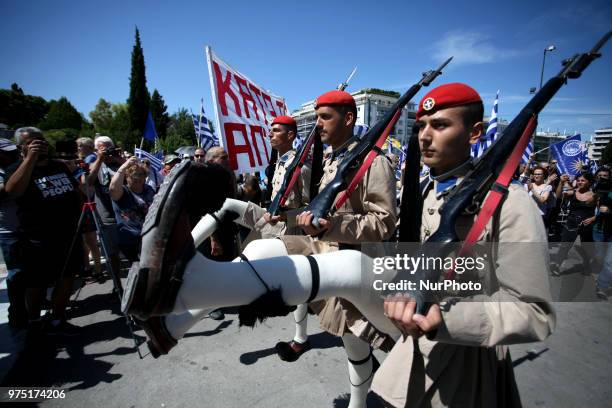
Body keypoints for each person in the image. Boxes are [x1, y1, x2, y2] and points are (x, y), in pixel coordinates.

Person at [371, 83, 555, 407]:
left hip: (466, 364)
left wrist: (450, 319)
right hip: (409, 350)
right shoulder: (423, 192)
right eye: (421, 126)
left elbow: (534, 312)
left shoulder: (510, 203)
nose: (425, 136)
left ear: (474, 133)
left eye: (440, 125)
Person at [5, 127, 84, 341]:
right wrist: (29, 159)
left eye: (42, 141)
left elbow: (77, 191)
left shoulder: (59, 166)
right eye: (33, 142)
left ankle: (58, 319)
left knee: (67, 278)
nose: (41, 145)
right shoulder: (16, 169)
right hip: (37, 238)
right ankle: (34, 321)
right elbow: (13, 192)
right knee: (37, 284)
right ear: (21, 147)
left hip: (68, 235)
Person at [87, 135, 125, 280]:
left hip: (127, 214)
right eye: (103, 148)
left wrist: (120, 159)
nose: (108, 151)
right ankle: (117, 283)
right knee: (112, 254)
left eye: (110, 147)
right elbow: (89, 181)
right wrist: (100, 158)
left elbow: (138, 174)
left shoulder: (121, 162)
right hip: (107, 216)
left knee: (134, 249)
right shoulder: (96, 165)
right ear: (96, 150)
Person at [0, 138, 27, 331]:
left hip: (30, 230)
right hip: (11, 233)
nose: (13, 156)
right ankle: (18, 315)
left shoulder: (22, 166)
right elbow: (9, 191)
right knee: (17, 275)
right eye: (8, 153)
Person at [109, 157, 156, 261]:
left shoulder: (149, 190)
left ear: (145, 177)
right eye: (133, 175)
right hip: (130, 238)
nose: (137, 178)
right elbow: (112, 188)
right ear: (127, 177)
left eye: (141, 175)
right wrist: (123, 167)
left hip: (149, 236)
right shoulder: (122, 191)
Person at [551, 172, 596, 275]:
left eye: (583, 180)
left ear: (589, 182)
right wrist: (561, 183)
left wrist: (593, 218)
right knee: (564, 246)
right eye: (579, 180)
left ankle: (587, 265)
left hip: (586, 224)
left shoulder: (594, 195)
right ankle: (557, 266)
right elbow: (558, 196)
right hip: (571, 223)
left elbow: (601, 210)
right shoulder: (573, 192)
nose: (580, 182)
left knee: (586, 247)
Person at [76, 137, 102, 278]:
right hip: (79, 203)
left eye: (80, 145)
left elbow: (86, 183)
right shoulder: (80, 159)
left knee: (90, 238)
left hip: (87, 201)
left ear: (89, 147)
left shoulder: (91, 159)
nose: (78, 147)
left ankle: (97, 268)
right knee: (83, 239)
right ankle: (88, 266)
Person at [592, 167, 612, 299]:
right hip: (598, 230)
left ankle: (602, 286)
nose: (602, 178)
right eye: (600, 176)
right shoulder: (596, 189)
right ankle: (603, 276)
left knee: (609, 261)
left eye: (605, 176)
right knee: (600, 257)